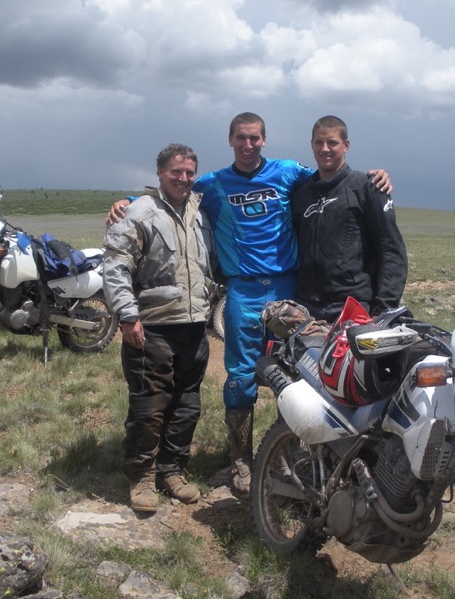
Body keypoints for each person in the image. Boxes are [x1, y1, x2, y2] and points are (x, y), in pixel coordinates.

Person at [107, 113, 392, 498]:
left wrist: (374, 178)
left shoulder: (290, 172)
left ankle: (287, 457)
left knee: (296, 373)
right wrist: (126, 201)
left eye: (255, 138)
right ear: (230, 140)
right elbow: (171, 192)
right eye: (241, 138)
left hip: (289, 290)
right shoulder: (212, 183)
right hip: (242, 292)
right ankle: (240, 461)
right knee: (241, 376)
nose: (248, 144)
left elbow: (331, 177)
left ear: (264, 139)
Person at [102, 144, 214, 514]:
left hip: (194, 325)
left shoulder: (200, 210)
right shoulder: (139, 213)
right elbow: (116, 267)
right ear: (160, 174)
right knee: (149, 407)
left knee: (186, 405)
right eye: (176, 172)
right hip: (152, 327)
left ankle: (173, 470)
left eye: (189, 172)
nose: (183, 179)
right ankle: (142, 477)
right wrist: (128, 317)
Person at [292, 115, 407, 322]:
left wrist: (384, 308)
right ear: (311, 145)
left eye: (332, 142)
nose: (325, 148)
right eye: (319, 142)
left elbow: (391, 250)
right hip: (306, 304)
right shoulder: (302, 192)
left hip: (352, 305)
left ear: (346, 145)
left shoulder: (368, 187)